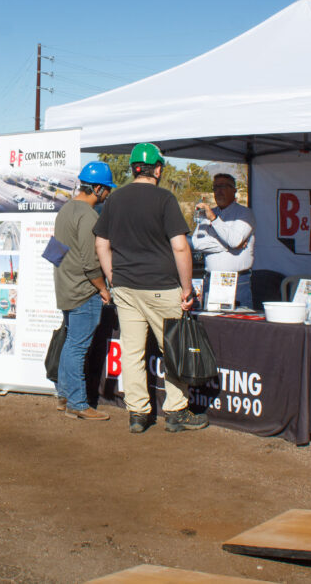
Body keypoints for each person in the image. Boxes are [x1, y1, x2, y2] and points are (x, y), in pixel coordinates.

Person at [94, 143, 207, 434]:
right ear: (157, 169)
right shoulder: (165, 199)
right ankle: (175, 412)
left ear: (133, 168)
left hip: (126, 289)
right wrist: (187, 290)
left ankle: (137, 414)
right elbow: (180, 247)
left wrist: (112, 277)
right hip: (162, 288)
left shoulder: (115, 199)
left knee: (132, 352)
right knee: (173, 350)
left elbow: (101, 243)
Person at [52, 162, 114, 421]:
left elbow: (53, 253)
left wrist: (66, 277)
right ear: (98, 188)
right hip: (84, 292)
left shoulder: (65, 210)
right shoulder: (89, 216)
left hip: (66, 288)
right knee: (77, 347)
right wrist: (103, 289)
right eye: (107, 189)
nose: (108, 194)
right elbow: (91, 263)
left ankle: (65, 395)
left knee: (70, 344)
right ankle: (77, 403)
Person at [191, 172, 255, 308]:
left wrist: (214, 219)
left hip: (238, 282)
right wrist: (229, 246)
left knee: (240, 326)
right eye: (215, 187)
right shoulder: (206, 213)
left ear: (234, 190)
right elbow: (197, 243)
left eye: (223, 186)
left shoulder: (244, 213)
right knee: (212, 325)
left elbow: (234, 240)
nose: (218, 191)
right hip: (212, 280)